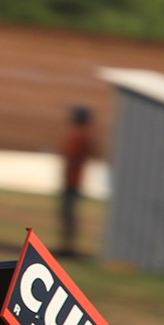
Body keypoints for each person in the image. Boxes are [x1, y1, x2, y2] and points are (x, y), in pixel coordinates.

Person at [58, 105, 98, 257]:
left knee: (68, 214)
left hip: (72, 181)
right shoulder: (84, 135)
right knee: (68, 214)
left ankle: (68, 248)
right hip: (73, 180)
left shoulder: (80, 135)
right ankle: (67, 246)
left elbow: (72, 157)